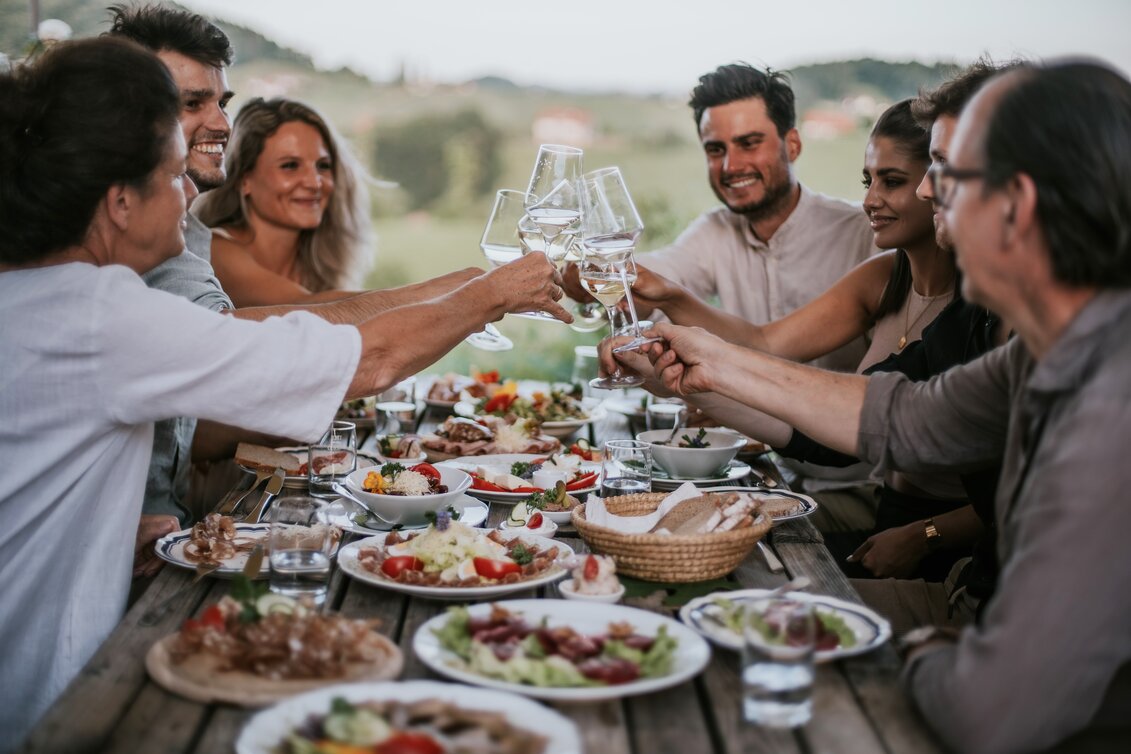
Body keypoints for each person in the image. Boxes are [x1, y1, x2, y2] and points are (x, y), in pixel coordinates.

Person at [0, 38, 568, 748]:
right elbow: (365, 360)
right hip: (42, 704)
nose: (189, 195)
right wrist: (491, 294)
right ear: (118, 202)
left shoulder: (30, 295)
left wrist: (128, 512)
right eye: (175, 175)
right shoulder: (99, 312)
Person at [615, 60, 1131, 752]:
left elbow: (992, 713)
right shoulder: (1040, 349)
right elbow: (903, 419)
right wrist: (703, 367)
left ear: (1018, 203)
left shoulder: (1110, 412)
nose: (924, 193)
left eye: (943, 176)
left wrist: (918, 646)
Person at [104, 4, 556, 533]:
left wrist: (458, 293)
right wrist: (475, 298)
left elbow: (191, 407)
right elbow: (311, 342)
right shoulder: (120, 268)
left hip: (160, 526)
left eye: (222, 103)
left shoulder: (182, 236)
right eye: (191, 103)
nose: (222, 123)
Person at [193, 97, 376, 306]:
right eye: (290, 165)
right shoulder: (215, 250)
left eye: (323, 166)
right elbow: (304, 306)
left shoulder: (320, 264)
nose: (314, 182)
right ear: (244, 180)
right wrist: (420, 296)